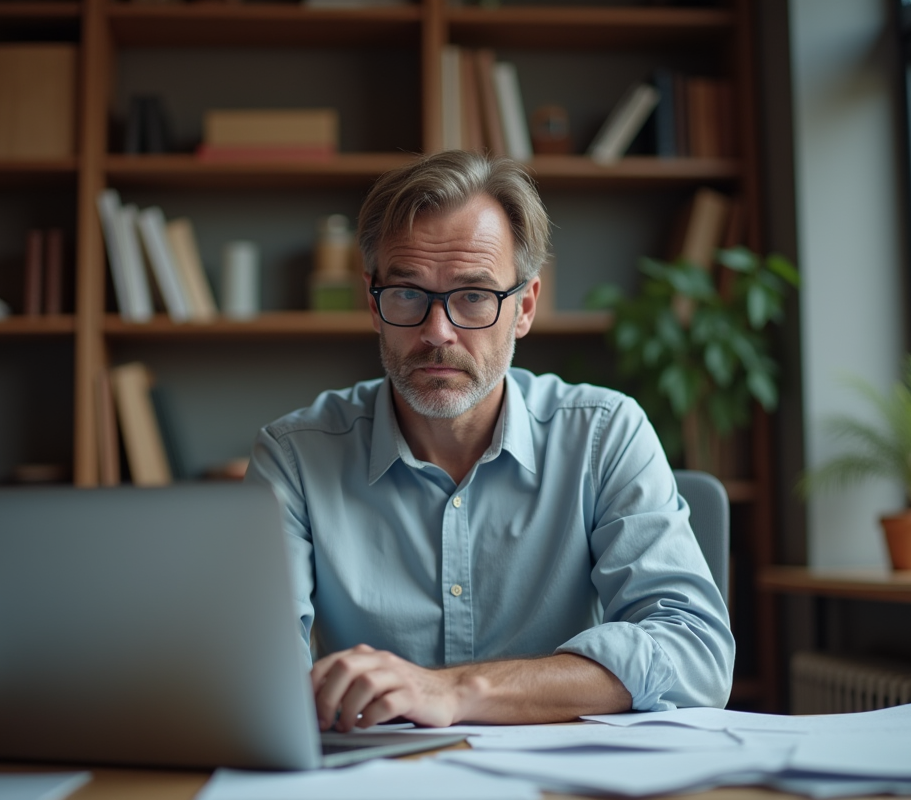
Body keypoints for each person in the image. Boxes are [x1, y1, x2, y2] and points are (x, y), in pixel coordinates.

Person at [246, 150, 734, 733]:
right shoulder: (295, 457)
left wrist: (455, 692)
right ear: (372, 304)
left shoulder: (605, 434)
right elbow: (255, 671)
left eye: (473, 295)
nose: (437, 333)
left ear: (524, 307)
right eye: (406, 294)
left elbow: (694, 653)